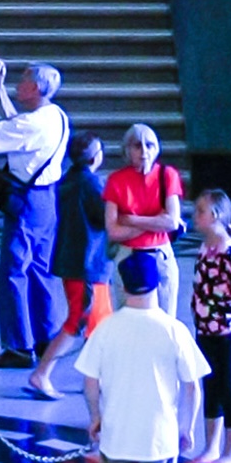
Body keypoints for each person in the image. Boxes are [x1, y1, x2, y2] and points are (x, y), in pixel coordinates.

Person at [0, 58, 72, 371]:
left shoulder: (32, 124)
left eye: (23, 81)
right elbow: (16, 123)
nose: (19, 84)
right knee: (40, 270)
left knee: (14, 272)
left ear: (35, 88)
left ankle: (17, 346)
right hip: (48, 200)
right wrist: (2, 90)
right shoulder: (55, 115)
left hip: (27, 203)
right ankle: (45, 337)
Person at [75, 250, 209, 463]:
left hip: (116, 441)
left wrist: (96, 418)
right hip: (160, 442)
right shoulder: (174, 330)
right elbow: (192, 387)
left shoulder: (105, 329)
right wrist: (187, 428)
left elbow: (90, 382)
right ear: (158, 284)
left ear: (123, 287)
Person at [187, 185, 231, 463]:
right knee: (211, 385)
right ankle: (211, 447)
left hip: (227, 330)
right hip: (206, 327)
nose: (195, 215)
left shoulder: (228, 250)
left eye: (200, 211)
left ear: (215, 215)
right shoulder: (207, 245)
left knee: (228, 386)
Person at [35, 128, 104, 399]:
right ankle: (42, 373)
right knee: (79, 319)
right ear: (94, 157)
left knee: (98, 323)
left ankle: (95, 378)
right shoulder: (92, 184)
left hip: (74, 260)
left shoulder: (68, 181)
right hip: (87, 263)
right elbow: (104, 218)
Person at [97, 123, 189, 324]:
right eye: (138, 146)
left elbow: (172, 222)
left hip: (161, 254)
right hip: (128, 256)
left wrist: (131, 219)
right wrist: (156, 221)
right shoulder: (116, 180)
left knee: (165, 320)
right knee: (126, 319)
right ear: (127, 150)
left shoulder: (167, 175)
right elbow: (113, 231)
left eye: (150, 145)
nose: (144, 152)